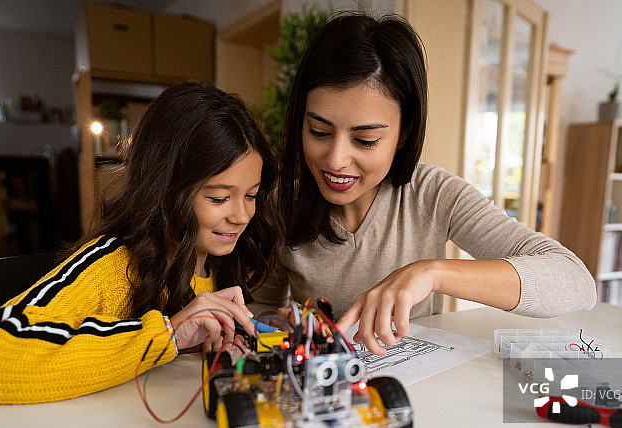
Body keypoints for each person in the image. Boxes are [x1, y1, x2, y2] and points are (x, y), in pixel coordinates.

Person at [250, 13, 596, 356]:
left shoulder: (433, 195)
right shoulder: (279, 207)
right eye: (319, 132)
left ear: (405, 133)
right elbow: (259, 308)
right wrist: (276, 324)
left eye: (366, 140)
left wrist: (431, 273)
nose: (335, 159)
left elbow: (575, 282)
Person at [0, 82, 281, 405]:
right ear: (166, 190)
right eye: (220, 198)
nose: (241, 216)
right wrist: (167, 333)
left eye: (251, 195)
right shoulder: (110, 267)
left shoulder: (222, 261)